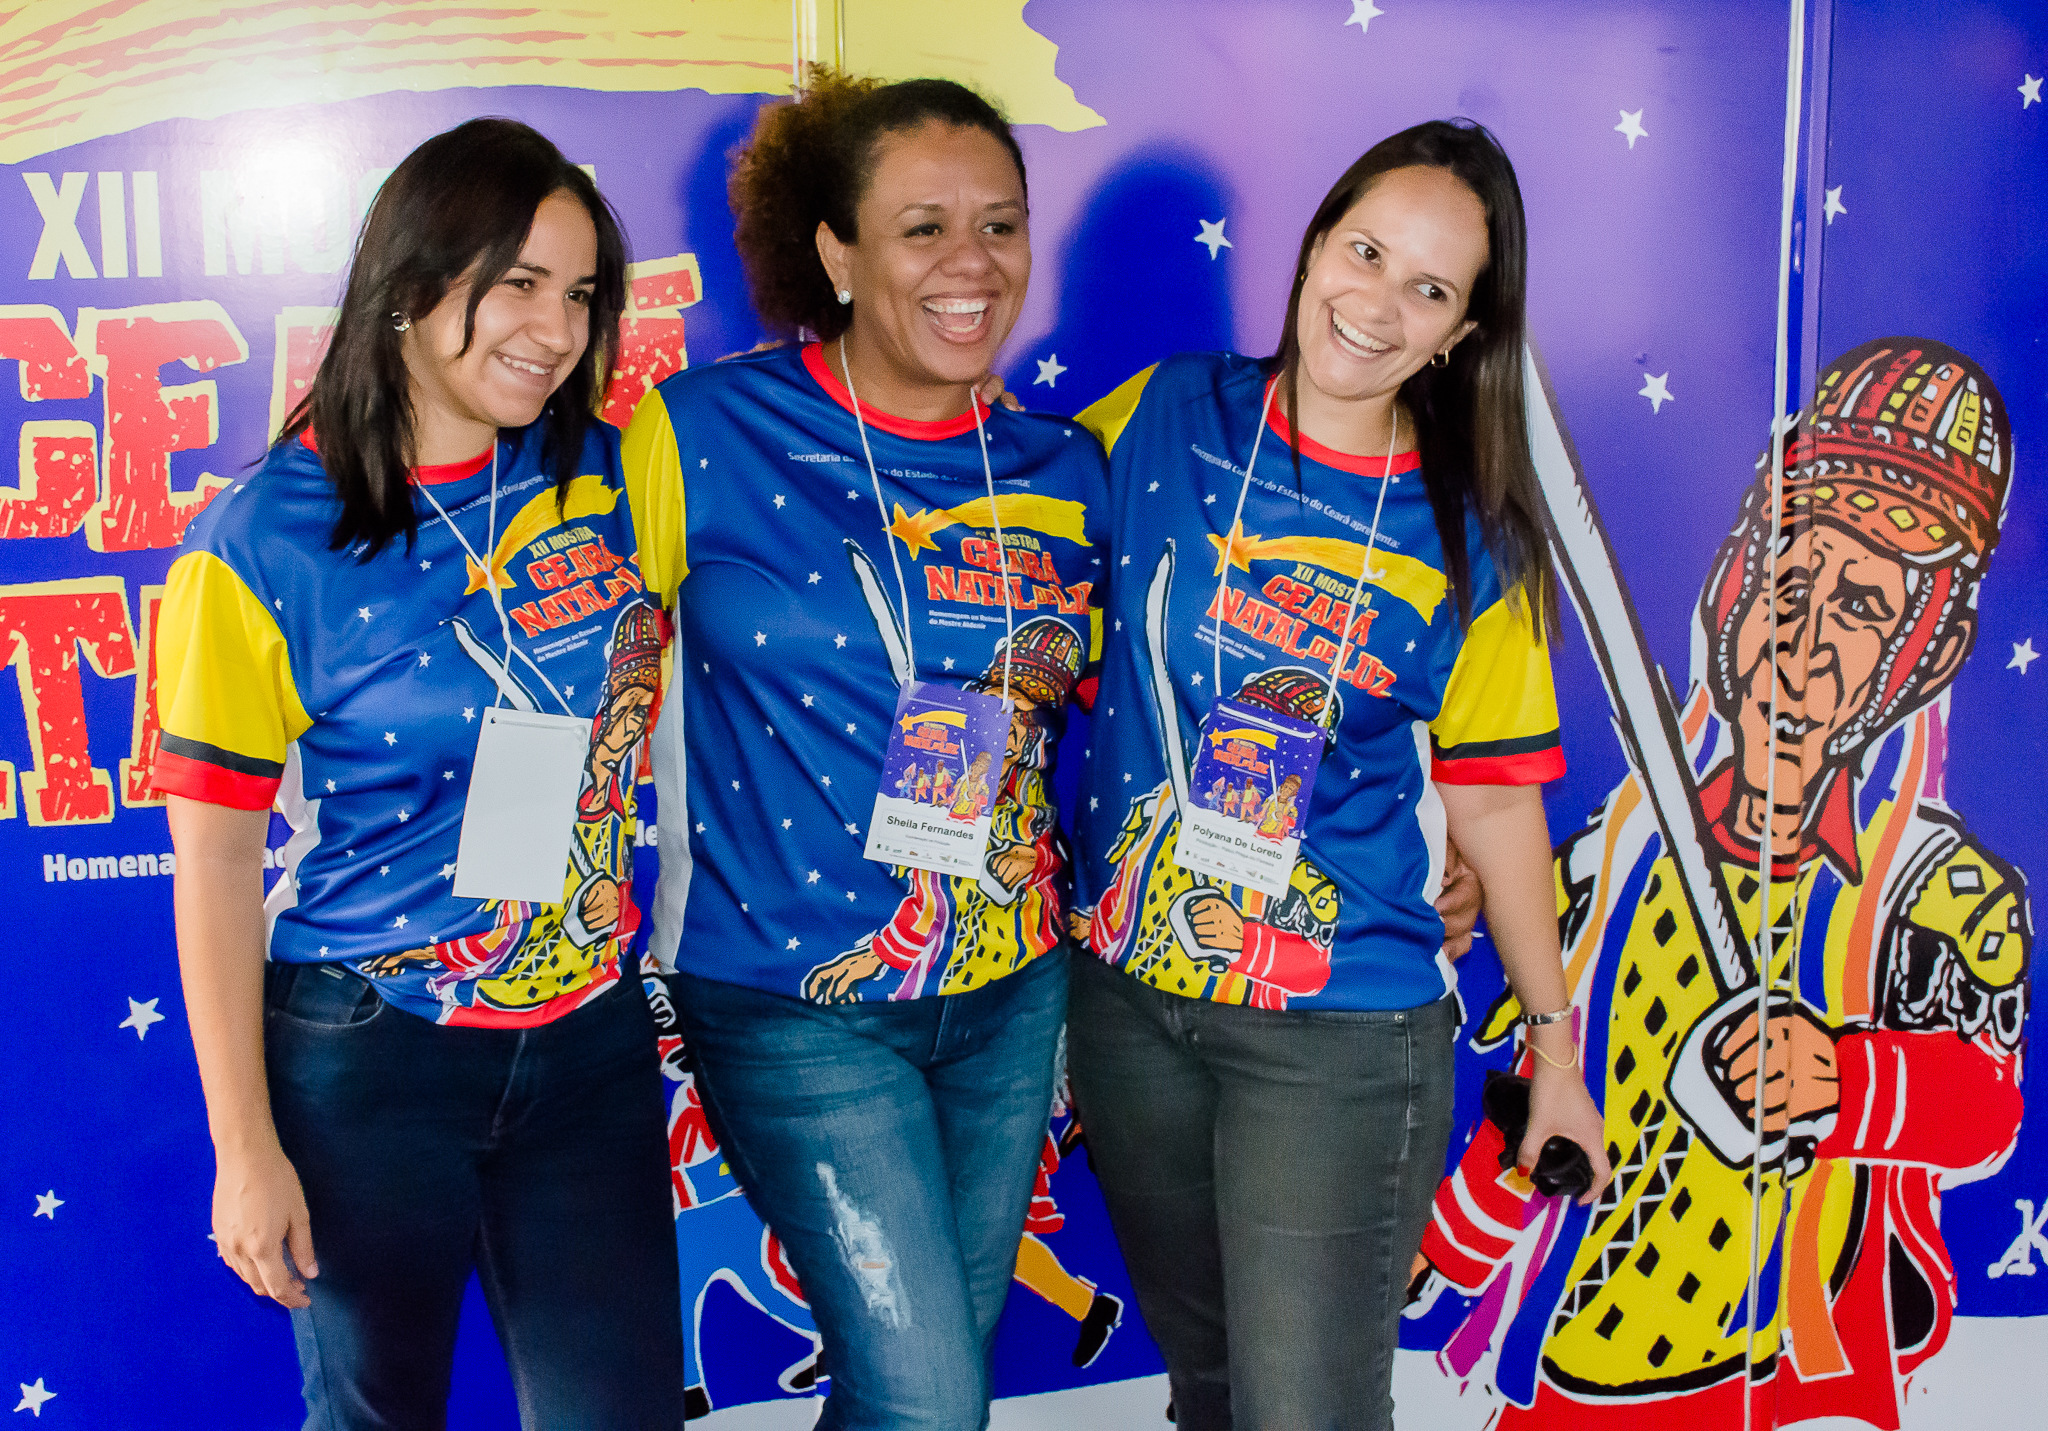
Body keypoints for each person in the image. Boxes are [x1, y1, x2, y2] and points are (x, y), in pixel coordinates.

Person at [1066, 118, 1610, 1431]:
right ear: (1313, 246)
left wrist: (1555, 1052)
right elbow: (1017, 578)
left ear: (1460, 333)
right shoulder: (1161, 414)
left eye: (1427, 287)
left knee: (1304, 1410)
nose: (1375, 303)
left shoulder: (1475, 534)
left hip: (1339, 1028)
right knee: (1210, 1391)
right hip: (1129, 1007)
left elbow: (1495, 799)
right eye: (1363, 252)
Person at [153, 119, 681, 1427]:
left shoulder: (615, 473)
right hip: (371, 1055)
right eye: (519, 283)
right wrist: (244, 1146)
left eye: (581, 294)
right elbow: (214, 863)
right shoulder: (260, 542)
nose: (556, 330)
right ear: (409, 285)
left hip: (588, 1041)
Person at [1413, 338, 2029, 1428]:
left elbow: (1983, 1108)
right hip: (1569, 1381)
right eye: (1789, 588)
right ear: (1737, 590)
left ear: (1924, 657)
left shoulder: (1937, 895)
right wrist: (1441, 1248)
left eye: (1860, 611)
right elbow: (1544, 1096)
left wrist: (1839, 1079)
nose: (1802, 648)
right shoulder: (1614, 857)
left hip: (1791, 1387)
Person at [622, 69, 1106, 1428]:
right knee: (929, 1399)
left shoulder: (1066, 467)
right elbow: (569, 673)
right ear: (835, 253)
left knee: (920, 1395)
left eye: (1000, 225)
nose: (972, 263)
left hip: (1010, 993)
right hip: (787, 997)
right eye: (922, 228)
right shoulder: (699, 433)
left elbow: (1164, 708)